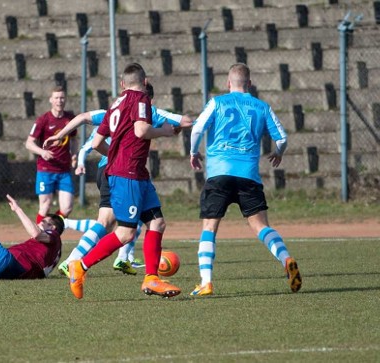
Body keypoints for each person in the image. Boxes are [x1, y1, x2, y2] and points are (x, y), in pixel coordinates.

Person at [45, 83, 193, 277]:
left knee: (122, 221)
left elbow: (82, 118)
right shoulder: (151, 112)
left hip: (107, 169)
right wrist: (175, 129)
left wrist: (60, 135)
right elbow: (184, 121)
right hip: (123, 172)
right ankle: (79, 261)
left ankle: (118, 259)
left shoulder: (113, 109)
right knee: (115, 223)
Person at [66, 63, 182, 299]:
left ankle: (151, 278)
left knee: (157, 223)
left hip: (136, 173)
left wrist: (116, 156)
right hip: (127, 175)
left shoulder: (116, 104)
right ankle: (80, 265)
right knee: (126, 233)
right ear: (145, 81)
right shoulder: (141, 99)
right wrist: (166, 132)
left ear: (122, 84)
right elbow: (141, 131)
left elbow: (97, 143)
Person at [189, 63, 302, 296]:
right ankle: (286, 258)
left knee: (209, 227)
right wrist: (278, 153)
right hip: (248, 175)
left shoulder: (217, 102)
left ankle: (206, 282)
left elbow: (197, 129)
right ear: (249, 84)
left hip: (219, 173)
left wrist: (193, 152)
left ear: (228, 83)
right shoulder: (262, 107)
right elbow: (282, 138)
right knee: (261, 226)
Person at [25, 86, 77, 223]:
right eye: (56, 98)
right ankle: (39, 238)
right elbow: (29, 143)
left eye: (62, 98)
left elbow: (73, 140)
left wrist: (74, 155)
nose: (59, 101)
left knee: (67, 208)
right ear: (50, 100)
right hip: (46, 170)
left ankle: (52, 228)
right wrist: (42, 152)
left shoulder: (70, 119)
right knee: (45, 205)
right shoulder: (43, 120)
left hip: (64, 170)